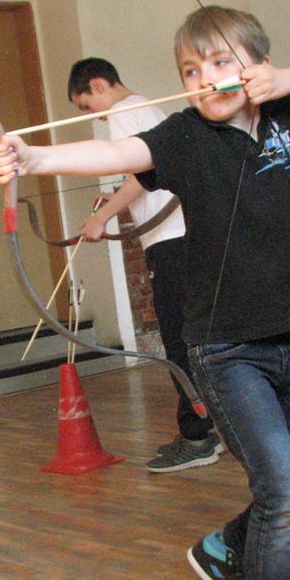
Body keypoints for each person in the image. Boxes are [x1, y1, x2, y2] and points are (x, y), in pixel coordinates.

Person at [0, 6, 290, 580]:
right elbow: (118, 155)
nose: (204, 78)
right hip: (226, 349)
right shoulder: (186, 136)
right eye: (191, 70)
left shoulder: (286, 112)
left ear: (257, 65)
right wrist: (32, 158)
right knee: (283, 487)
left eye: (220, 62)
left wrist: (286, 80)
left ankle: (227, 548)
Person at [67, 57, 221, 473]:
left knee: (179, 341)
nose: (93, 116)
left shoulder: (122, 113)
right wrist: (113, 202)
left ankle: (198, 436)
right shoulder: (145, 107)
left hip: (171, 242)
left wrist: (102, 217)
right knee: (192, 337)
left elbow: (142, 174)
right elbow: (151, 174)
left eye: (86, 106)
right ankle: (206, 427)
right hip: (186, 237)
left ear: (98, 86)